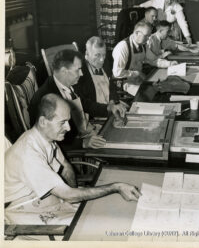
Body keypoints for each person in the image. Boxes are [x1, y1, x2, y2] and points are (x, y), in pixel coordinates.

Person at [5, 94, 141, 227]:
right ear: (43, 122)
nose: (68, 128)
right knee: (100, 223)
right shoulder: (29, 154)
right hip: (20, 208)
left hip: (42, 197)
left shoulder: (45, 138)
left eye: (68, 121)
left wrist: (74, 195)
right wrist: (115, 186)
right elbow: (68, 195)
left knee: (107, 209)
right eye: (62, 123)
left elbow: (65, 167)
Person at [29, 49, 106, 148]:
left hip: (84, 134)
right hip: (72, 147)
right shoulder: (45, 98)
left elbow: (86, 105)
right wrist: (83, 143)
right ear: (64, 71)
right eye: (78, 69)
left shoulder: (69, 85)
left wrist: (108, 108)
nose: (81, 73)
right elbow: (46, 141)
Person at [74, 36, 127, 119]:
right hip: (96, 115)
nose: (102, 59)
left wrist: (113, 101)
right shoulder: (79, 71)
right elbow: (84, 104)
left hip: (111, 108)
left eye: (104, 55)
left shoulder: (105, 63)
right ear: (87, 54)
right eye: (97, 55)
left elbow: (111, 86)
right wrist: (108, 108)